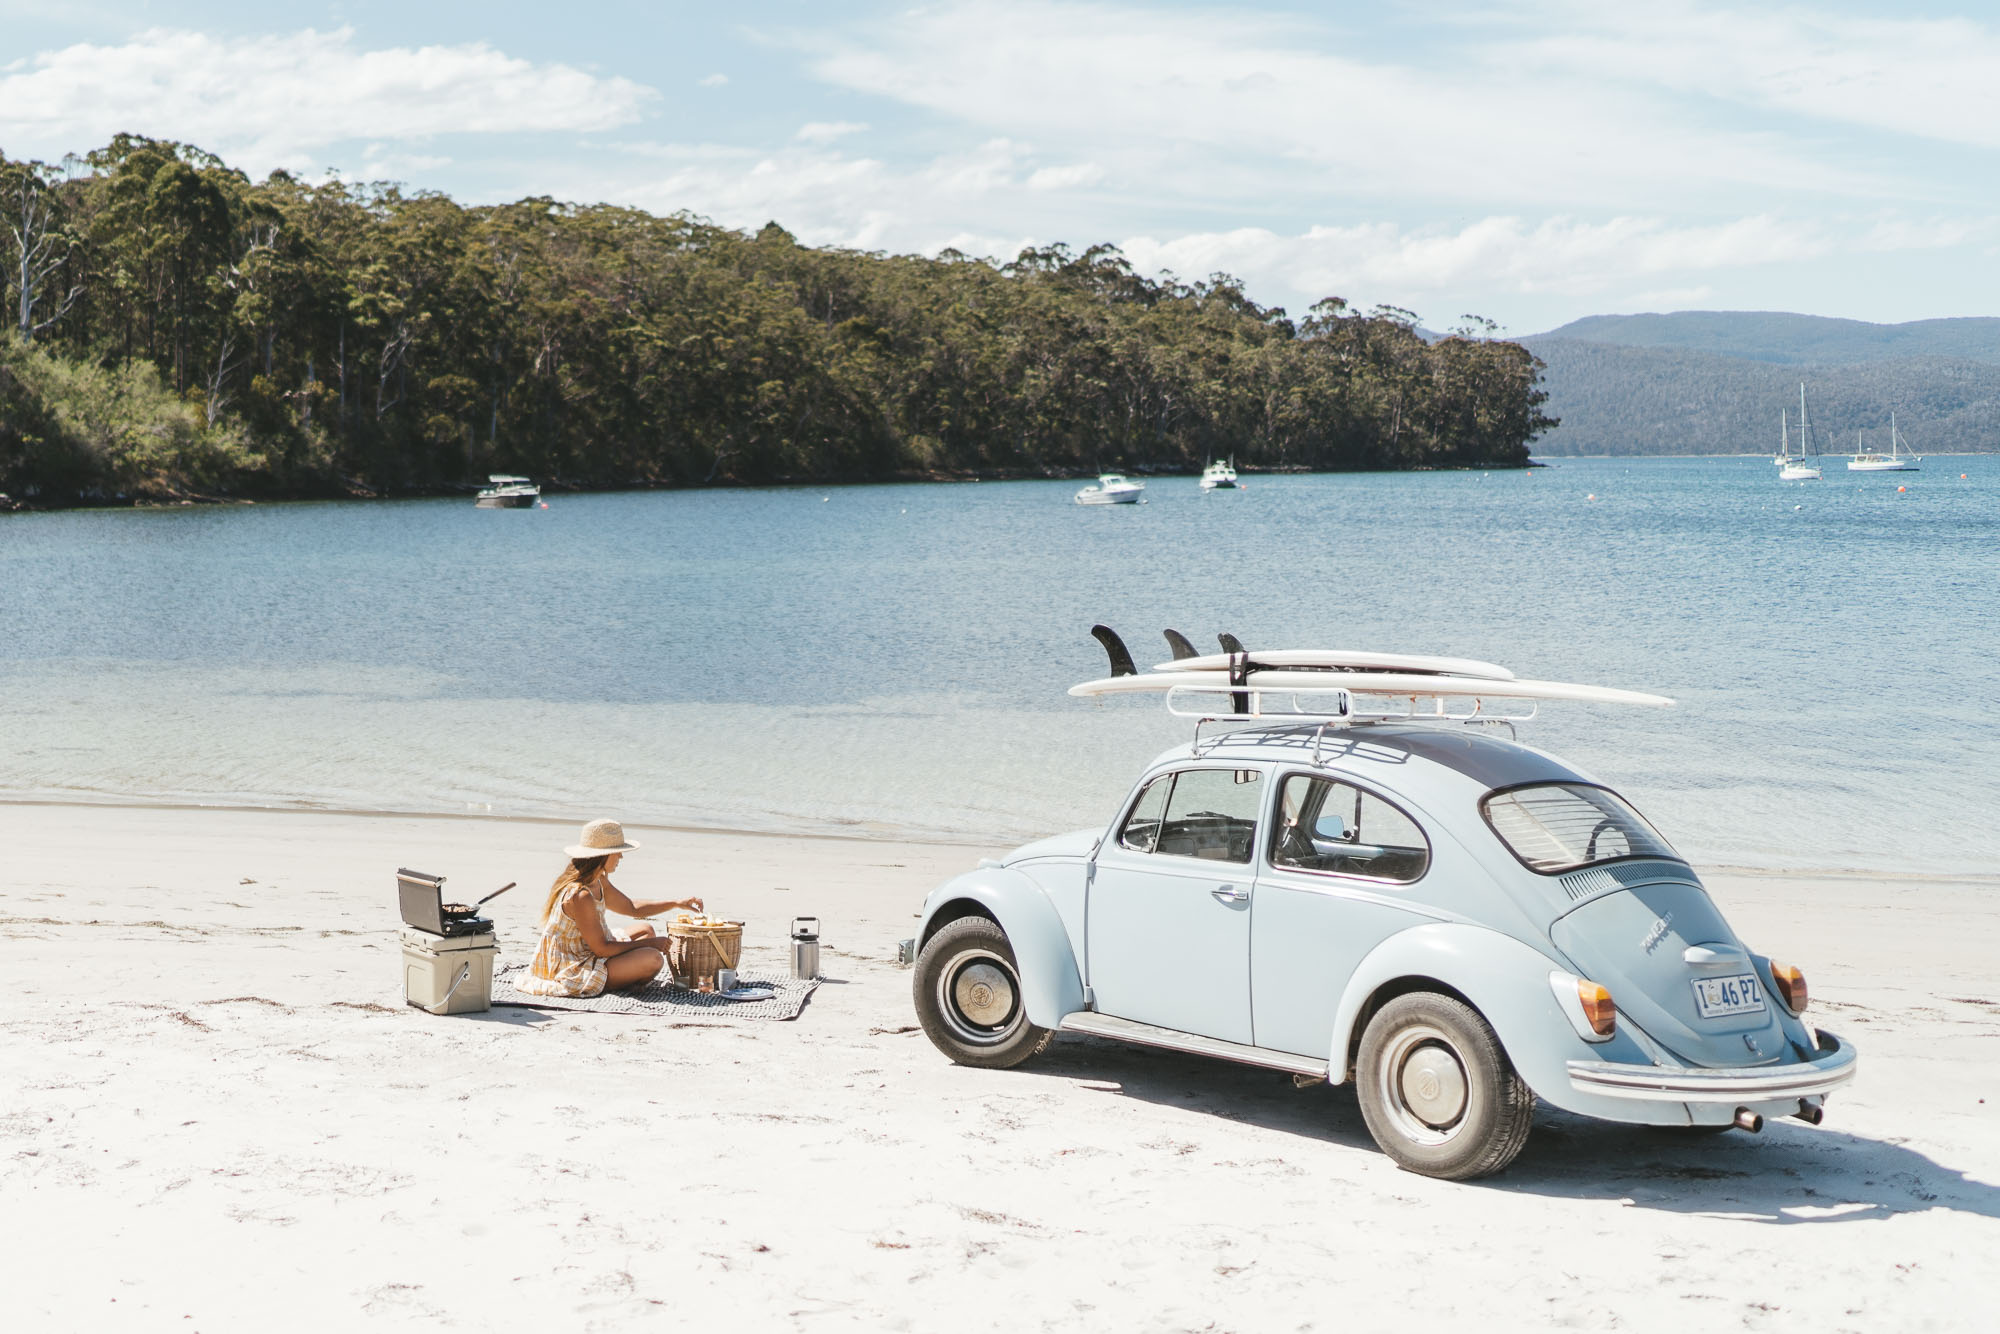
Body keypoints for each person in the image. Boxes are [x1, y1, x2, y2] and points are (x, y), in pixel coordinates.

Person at [516, 818, 703, 997]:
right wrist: (649, 944)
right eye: (617, 851)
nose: (621, 856)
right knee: (654, 958)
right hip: (573, 964)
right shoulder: (580, 895)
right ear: (602, 855)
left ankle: (624, 976)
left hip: (589, 950)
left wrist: (677, 903)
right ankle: (614, 981)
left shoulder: (598, 880)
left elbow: (632, 908)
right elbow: (602, 950)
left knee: (646, 930)